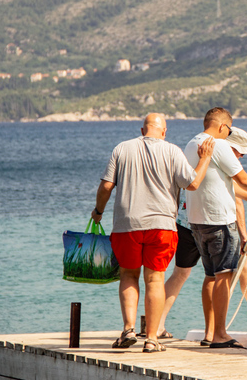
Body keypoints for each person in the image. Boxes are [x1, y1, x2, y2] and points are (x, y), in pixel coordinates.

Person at [91, 113, 214, 353]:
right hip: (162, 226)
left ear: (142, 129)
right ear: (164, 131)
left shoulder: (122, 149)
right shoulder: (173, 151)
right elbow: (193, 184)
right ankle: (151, 339)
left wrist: (98, 211)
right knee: (155, 279)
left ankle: (128, 330)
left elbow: (106, 185)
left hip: (127, 225)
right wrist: (205, 159)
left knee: (128, 275)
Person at [157, 126, 247, 343]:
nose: (242, 155)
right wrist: (245, 234)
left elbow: (230, 190)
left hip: (186, 220)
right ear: (228, 144)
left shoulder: (198, 149)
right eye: (239, 151)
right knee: (234, 269)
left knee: (182, 274)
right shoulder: (222, 154)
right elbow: (232, 197)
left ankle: (157, 324)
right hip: (212, 224)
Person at [185, 107, 247, 349]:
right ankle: (221, 334)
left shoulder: (192, 144)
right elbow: (241, 178)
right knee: (224, 276)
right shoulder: (219, 144)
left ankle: (210, 332)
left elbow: (221, 183)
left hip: (197, 220)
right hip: (219, 220)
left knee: (210, 276)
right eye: (229, 130)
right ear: (223, 127)